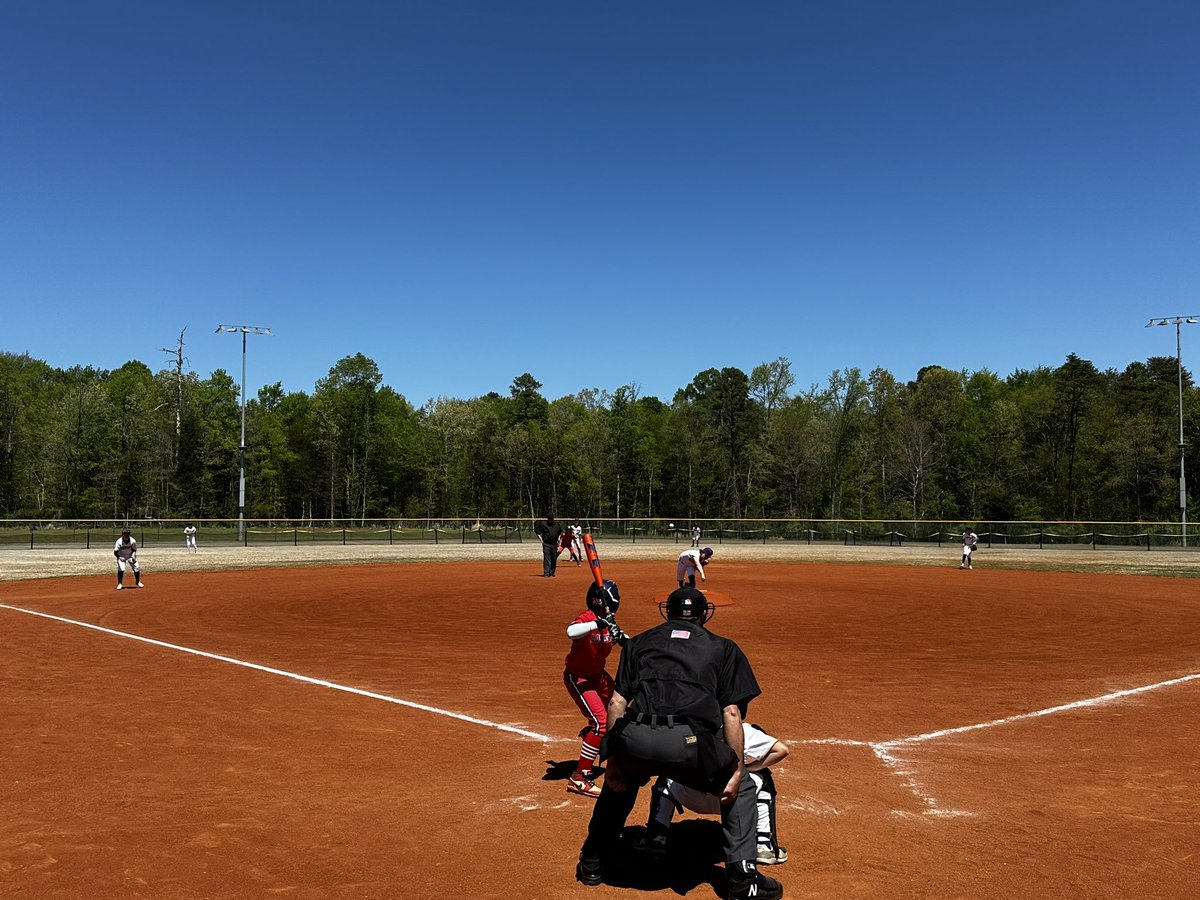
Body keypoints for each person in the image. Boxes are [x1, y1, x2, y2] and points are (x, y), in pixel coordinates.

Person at [575, 586, 783, 900]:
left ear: (667, 613)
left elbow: (617, 704)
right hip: (689, 743)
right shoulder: (723, 648)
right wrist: (737, 770)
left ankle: (592, 861)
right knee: (741, 788)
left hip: (636, 740)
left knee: (619, 782)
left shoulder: (638, 643)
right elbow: (731, 711)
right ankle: (742, 878)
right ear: (704, 615)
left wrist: (615, 760)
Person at [640, 722, 790, 866]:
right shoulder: (742, 730)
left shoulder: (681, 727)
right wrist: (745, 769)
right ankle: (764, 845)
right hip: (731, 797)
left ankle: (655, 838)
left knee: (666, 776)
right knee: (765, 779)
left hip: (689, 795)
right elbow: (781, 750)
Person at [563, 579, 627, 798]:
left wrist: (622, 637)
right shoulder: (588, 619)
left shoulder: (609, 622)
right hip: (579, 678)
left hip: (598, 677)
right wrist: (596, 624)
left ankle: (591, 734)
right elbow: (571, 632)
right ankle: (579, 778)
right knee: (601, 723)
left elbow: (624, 641)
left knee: (622, 706)